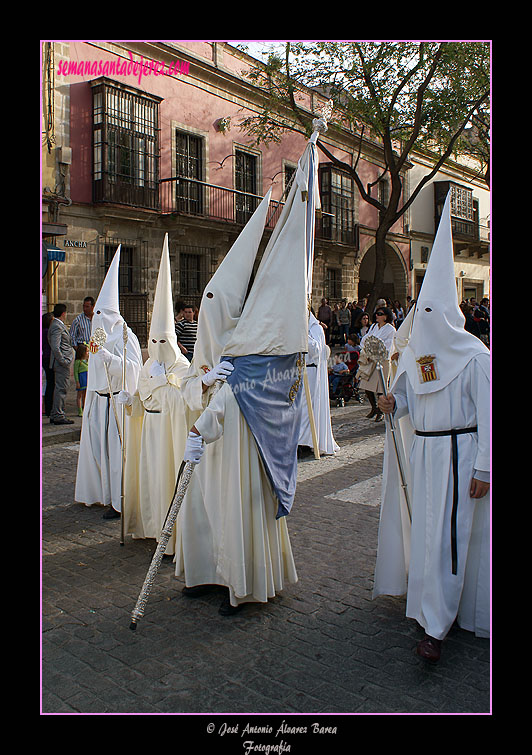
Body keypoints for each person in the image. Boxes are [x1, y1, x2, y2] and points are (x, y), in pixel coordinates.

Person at [176, 137, 316, 615]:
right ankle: (205, 573)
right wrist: (202, 389)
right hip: (210, 456)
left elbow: (247, 399)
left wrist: (207, 418)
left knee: (236, 511)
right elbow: (190, 387)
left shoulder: (250, 355)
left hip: (240, 454)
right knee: (207, 511)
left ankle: (243, 583)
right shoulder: (211, 354)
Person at [373, 192, 490, 663]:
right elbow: (407, 399)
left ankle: (438, 626)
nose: (418, 321)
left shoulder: (477, 359)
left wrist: (486, 466)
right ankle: (427, 607)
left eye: (426, 313)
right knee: (428, 534)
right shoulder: (420, 356)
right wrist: (391, 401)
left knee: (453, 538)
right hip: (424, 455)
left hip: (461, 458)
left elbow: (490, 415)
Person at [119, 236, 204, 554]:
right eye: (152, 342)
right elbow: (142, 395)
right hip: (151, 433)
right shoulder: (149, 364)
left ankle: (171, 533)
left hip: (171, 435)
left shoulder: (181, 366)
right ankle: (150, 526)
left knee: (168, 479)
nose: (156, 349)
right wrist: (132, 401)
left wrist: (164, 389)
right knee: (151, 480)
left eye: (161, 342)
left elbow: (186, 399)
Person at [75, 247, 143, 519]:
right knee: (99, 451)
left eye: (104, 314)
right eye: (97, 314)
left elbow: (134, 369)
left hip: (118, 402)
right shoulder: (99, 335)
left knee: (118, 454)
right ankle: (101, 494)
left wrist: (111, 360)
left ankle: (119, 499)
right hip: (99, 401)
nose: (99, 319)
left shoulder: (128, 337)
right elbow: (93, 368)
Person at [299, 312, 339, 456]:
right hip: (297, 373)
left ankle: (307, 443)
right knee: (299, 410)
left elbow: (316, 350)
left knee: (307, 408)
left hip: (311, 373)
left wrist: (304, 336)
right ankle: (300, 441)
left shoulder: (316, 329)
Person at [357, 306, 396, 421]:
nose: (377, 316)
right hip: (371, 358)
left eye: (380, 314)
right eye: (376, 313)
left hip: (382, 360)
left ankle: (380, 411)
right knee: (366, 384)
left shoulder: (391, 329)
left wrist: (375, 350)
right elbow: (365, 339)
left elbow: (388, 345)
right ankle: (374, 407)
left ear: (386, 316)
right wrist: (367, 351)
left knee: (380, 387)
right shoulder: (374, 327)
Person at [48, 303, 74, 425]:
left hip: (62, 362)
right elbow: (55, 346)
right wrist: (63, 360)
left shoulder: (57, 325)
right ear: (64, 313)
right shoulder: (57, 326)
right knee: (61, 388)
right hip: (61, 363)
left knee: (60, 387)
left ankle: (55, 413)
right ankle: (58, 414)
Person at [42, 312, 55, 418]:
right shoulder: (48, 332)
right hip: (48, 358)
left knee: (49, 383)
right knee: (51, 383)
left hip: (45, 358)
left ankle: (47, 407)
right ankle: (49, 408)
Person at [73, 342, 89, 416]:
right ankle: (80, 410)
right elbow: (75, 372)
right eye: (87, 351)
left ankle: (85, 408)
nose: (88, 353)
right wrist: (77, 382)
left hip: (86, 379)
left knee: (85, 395)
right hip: (81, 379)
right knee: (79, 395)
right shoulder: (78, 362)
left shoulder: (87, 361)